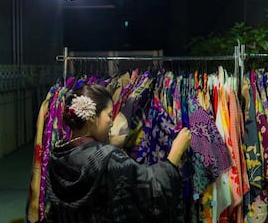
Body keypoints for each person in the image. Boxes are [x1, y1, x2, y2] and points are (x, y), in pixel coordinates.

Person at [45, 83, 191, 223]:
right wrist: (175, 154)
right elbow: (152, 192)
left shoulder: (57, 155)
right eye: (109, 115)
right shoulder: (108, 159)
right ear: (92, 118)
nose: (112, 123)